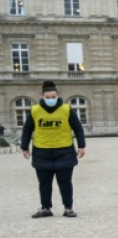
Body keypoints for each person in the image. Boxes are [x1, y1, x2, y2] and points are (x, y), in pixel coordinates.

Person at [21, 80, 86, 218]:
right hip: (41, 151)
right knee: (44, 183)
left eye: (53, 97)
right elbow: (27, 129)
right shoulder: (35, 110)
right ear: (43, 97)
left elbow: (78, 128)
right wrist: (24, 147)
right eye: (48, 97)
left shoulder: (66, 109)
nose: (51, 100)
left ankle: (68, 208)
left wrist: (81, 146)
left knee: (65, 182)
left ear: (57, 96)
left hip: (64, 151)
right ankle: (46, 208)